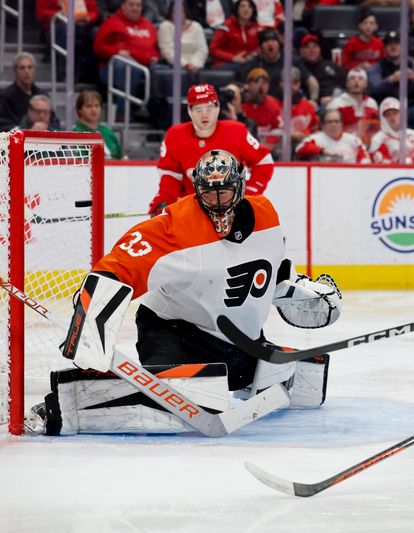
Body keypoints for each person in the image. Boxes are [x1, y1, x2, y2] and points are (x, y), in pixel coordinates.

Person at [26, 150, 342, 436]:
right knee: (177, 396)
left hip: (233, 338)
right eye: (209, 193)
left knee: (298, 378)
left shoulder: (266, 216)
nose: (218, 202)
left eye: (225, 192)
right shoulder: (174, 227)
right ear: (196, 191)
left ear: (240, 188)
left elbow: (272, 272)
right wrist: (91, 315)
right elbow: (117, 267)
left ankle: (229, 375)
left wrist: (298, 290)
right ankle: (66, 407)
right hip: (171, 329)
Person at [149, 84, 274, 216]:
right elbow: (170, 179)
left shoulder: (236, 131)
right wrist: (162, 204)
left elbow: (264, 161)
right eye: (198, 109)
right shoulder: (175, 136)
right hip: (194, 213)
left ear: (218, 108)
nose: (204, 115)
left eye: (209, 108)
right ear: (189, 111)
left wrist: (248, 194)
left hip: (233, 213)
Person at [93, 0, 160, 104]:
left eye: (138, 5)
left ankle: (155, 110)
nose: (135, 8)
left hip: (145, 66)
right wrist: (116, 52)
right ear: (123, 6)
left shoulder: (149, 26)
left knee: (162, 70)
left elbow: (156, 50)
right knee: (128, 66)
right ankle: (122, 111)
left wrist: (155, 57)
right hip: (114, 67)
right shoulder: (111, 23)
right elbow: (98, 47)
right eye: (131, 5)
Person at [367, 30, 414, 129]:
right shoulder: (378, 66)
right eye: (389, 44)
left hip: (409, 108)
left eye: (396, 44)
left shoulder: (410, 64)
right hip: (386, 109)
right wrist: (390, 79)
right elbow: (373, 89)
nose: (393, 47)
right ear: (385, 48)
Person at [241, 28, 319, 101]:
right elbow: (243, 86)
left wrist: (313, 100)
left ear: (279, 45)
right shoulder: (254, 63)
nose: (270, 44)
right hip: (263, 105)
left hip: (289, 104)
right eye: (266, 41)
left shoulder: (291, 60)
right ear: (260, 48)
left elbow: (312, 82)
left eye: (273, 40)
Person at [0, 53, 59, 131]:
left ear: (34, 70)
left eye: (30, 67)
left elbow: (54, 122)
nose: (27, 71)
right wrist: (28, 131)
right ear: (15, 71)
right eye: (22, 68)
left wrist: (46, 128)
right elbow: (3, 125)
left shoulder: (43, 95)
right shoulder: (5, 96)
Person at [368, 97, 414, 164]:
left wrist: (408, 162)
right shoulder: (378, 139)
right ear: (383, 118)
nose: (392, 117)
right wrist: (395, 163)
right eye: (388, 115)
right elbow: (376, 162)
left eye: (395, 113)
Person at [295, 109, 371, 163]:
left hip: (349, 176)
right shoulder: (316, 139)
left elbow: (365, 159)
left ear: (341, 124)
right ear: (323, 125)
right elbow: (300, 149)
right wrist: (322, 150)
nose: (333, 124)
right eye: (330, 122)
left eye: (336, 121)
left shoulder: (354, 140)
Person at [328, 68, 380, 145]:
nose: (356, 81)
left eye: (360, 78)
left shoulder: (372, 104)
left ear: (366, 84)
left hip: (367, 145)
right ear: (347, 83)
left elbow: (375, 129)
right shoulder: (336, 104)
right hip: (342, 145)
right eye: (352, 78)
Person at [157, 0, 209, 73]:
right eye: (175, 11)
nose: (178, 14)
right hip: (174, 67)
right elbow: (167, 51)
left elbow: (203, 50)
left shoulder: (196, 26)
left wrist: (194, 64)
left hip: (196, 67)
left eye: (181, 11)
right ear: (171, 12)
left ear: (185, 11)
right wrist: (185, 64)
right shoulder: (165, 27)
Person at [72, 90, 124, 160]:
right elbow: (79, 160)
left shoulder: (107, 132)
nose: (94, 110)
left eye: (97, 106)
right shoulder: (76, 134)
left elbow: (121, 157)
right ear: (79, 110)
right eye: (89, 106)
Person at [209, 0, 260, 68]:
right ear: (237, 9)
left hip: (248, 63)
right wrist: (233, 58)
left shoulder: (256, 27)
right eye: (242, 6)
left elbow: (259, 48)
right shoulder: (226, 26)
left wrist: (253, 55)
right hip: (226, 63)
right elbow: (213, 49)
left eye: (250, 7)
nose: (246, 9)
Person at [298, 33, 346, 107]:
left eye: (315, 47)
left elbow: (345, 82)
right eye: (308, 47)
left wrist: (337, 98)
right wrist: (319, 100)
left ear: (319, 49)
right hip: (315, 105)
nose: (312, 50)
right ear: (301, 51)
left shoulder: (330, 65)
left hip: (338, 101)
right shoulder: (300, 69)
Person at [241, 67, 283, 149]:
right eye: (256, 82)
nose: (261, 86)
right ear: (248, 85)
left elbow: (279, 129)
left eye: (264, 82)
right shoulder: (241, 104)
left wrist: (266, 145)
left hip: (268, 148)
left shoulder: (273, 104)